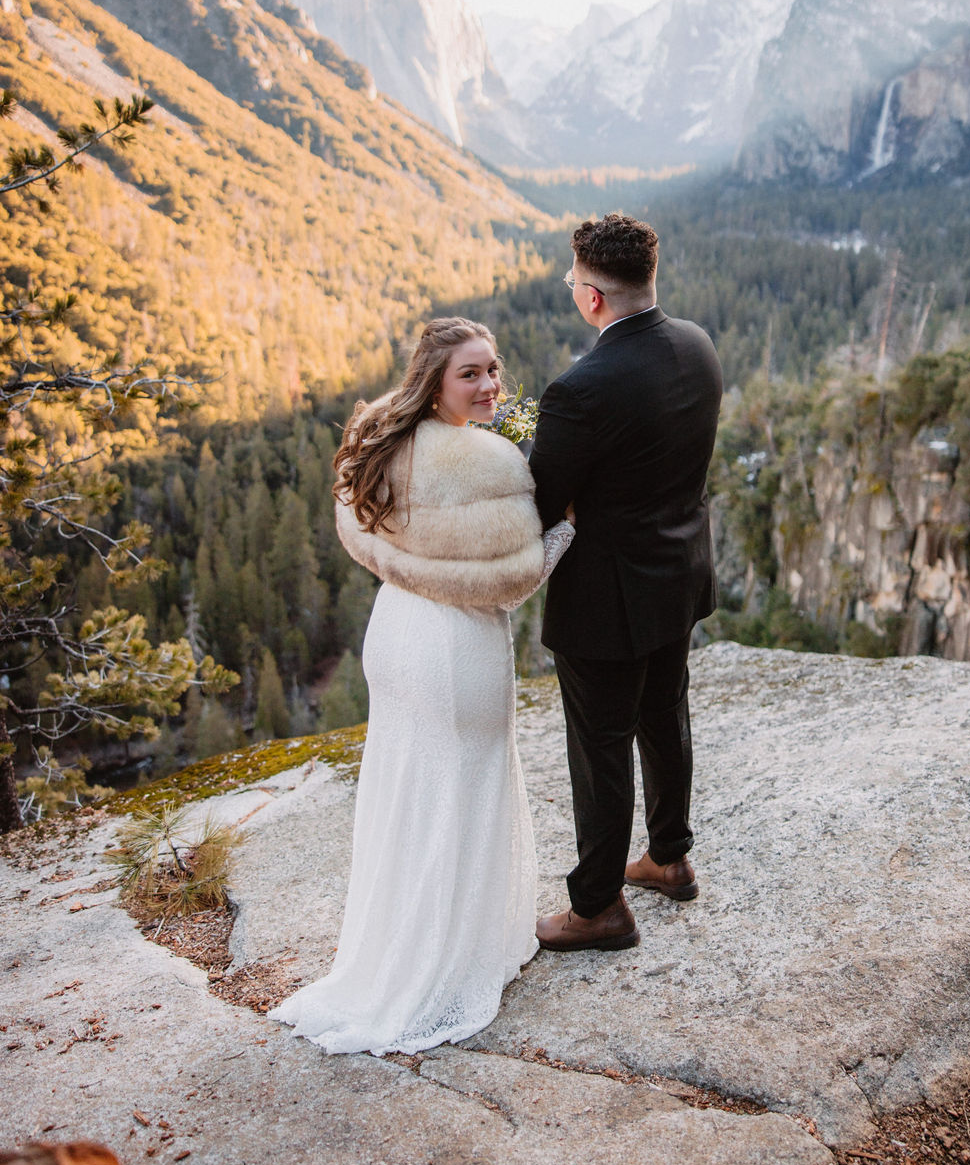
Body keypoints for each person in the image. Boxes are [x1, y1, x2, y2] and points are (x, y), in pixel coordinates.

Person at [270, 317, 573, 1054]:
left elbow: (357, 529)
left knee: (408, 786)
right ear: (434, 379)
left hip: (397, 628)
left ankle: (391, 952)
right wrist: (566, 527)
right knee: (462, 792)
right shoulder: (492, 465)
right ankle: (447, 963)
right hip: (455, 645)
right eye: (470, 373)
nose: (490, 385)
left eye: (493, 369)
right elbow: (512, 581)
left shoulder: (377, 439)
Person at [529, 213, 722, 952]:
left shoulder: (580, 389)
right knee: (665, 715)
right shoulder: (698, 345)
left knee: (601, 744)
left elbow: (543, 505)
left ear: (592, 296)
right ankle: (670, 858)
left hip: (606, 599)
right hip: (678, 578)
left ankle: (599, 905)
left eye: (574, 281)